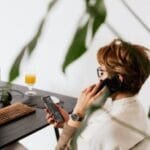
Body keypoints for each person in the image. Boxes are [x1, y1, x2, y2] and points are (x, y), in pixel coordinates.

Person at [45, 39, 150, 150]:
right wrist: (68, 123)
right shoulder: (137, 109)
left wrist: (77, 113)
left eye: (102, 72)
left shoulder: (102, 130)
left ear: (117, 80)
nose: (99, 78)